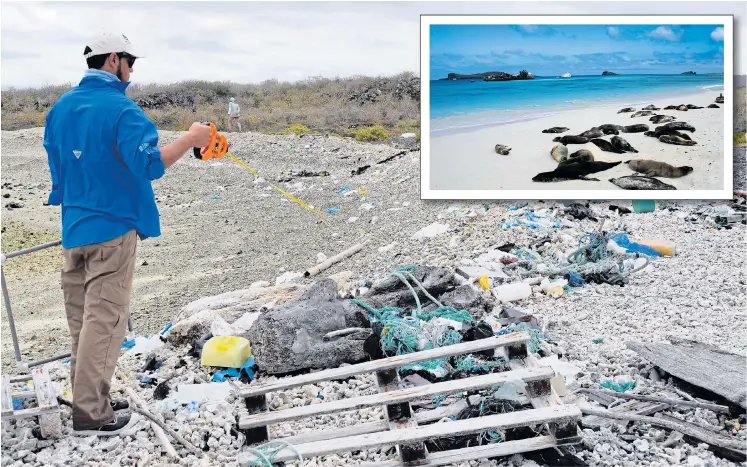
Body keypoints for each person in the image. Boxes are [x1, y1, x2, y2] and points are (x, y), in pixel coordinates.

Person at [42, 32, 211, 435]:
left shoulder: (61, 108)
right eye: (130, 61)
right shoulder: (122, 110)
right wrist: (191, 139)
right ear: (113, 59)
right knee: (106, 321)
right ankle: (91, 416)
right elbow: (150, 165)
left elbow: (57, 165)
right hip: (113, 230)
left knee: (82, 322)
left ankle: (89, 400)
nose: (132, 70)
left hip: (74, 229)